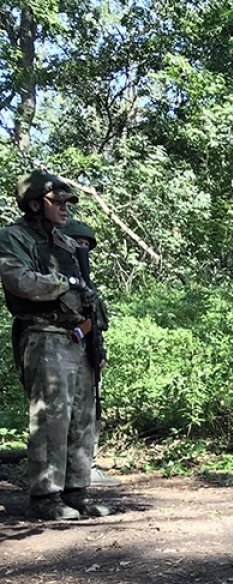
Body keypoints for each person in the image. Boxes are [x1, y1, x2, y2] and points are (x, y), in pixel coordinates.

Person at [0, 170, 111, 520]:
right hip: (43, 333)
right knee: (51, 417)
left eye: (67, 202)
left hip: (77, 337)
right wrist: (65, 283)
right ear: (35, 204)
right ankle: (46, 497)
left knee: (82, 415)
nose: (65, 208)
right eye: (57, 201)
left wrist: (95, 333)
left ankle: (76, 491)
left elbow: (87, 292)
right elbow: (21, 281)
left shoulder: (64, 242)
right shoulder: (11, 238)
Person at [59, 218, 119, 488]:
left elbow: (96, 323)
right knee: (60, 414)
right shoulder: (57, 276)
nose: (82, 248)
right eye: (77, 243)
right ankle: (60, 475)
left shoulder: (86, 282)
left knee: (89, 411)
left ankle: (86, 468)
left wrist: (99, 352)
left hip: (86, 354)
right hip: (58, 352)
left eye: (86, 244)